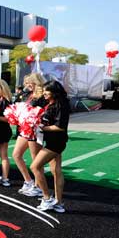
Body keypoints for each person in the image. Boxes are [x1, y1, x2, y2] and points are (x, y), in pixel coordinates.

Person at [30, 80, 70, 213]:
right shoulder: (49, 102)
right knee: (56, 171)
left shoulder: (61, 105)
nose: (44, 93)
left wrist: (42, 127)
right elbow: (33, 104)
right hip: (51, 140)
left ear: (54, 92)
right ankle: (58, 203)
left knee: (35, 166)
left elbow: (60, 127)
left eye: (47, 91)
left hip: (56, 142)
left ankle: (47, 198)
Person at [13, 73, 47, 197]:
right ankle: (28, 181)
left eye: (29, 82)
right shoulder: (26, 95)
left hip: (35, 130)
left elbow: (43, 113)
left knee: (35, 160)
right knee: (16, 155)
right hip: (24, 129)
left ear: (36, 82)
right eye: (26, 82)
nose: (27, 85)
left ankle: (38, 187)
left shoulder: (43, 96)